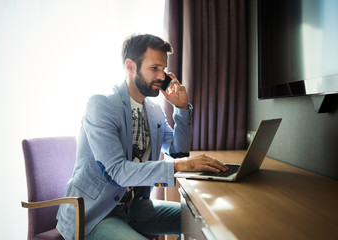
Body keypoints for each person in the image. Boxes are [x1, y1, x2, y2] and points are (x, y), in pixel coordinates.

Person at [56, 34, 228, 240]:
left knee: (206, 220)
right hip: (95, 214)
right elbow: (117, 171)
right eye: (154, 68)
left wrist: (181, 109)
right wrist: (180, 166)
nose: (161, 76)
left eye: (163, 69)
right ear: (130, 67)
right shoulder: (101, 105)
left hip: (134, 208)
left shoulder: (154, 111)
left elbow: (177, 152)